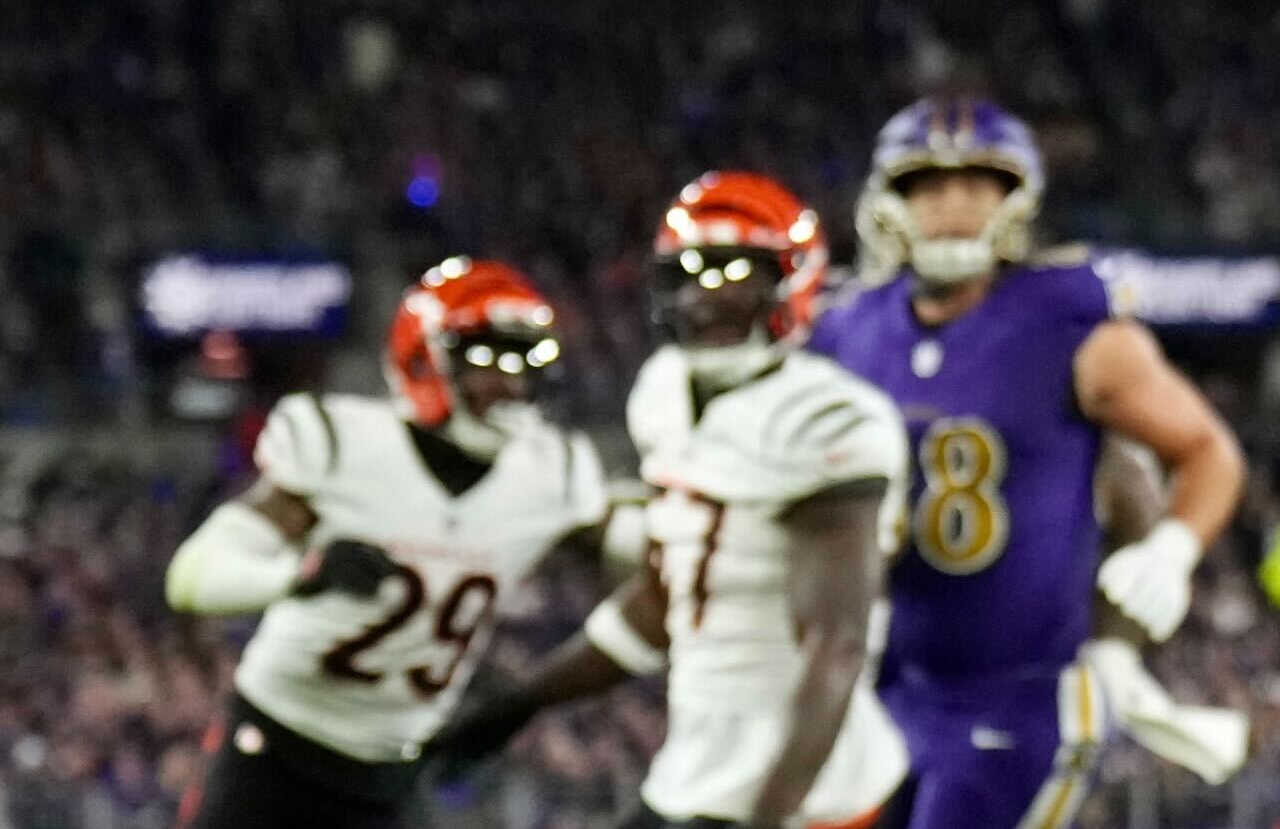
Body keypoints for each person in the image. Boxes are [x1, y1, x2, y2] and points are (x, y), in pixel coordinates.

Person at [812, 95, 1249, 829]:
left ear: (1015, 201)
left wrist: (1171, 552)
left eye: (977, 186)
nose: (953, 208)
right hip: (885, 683)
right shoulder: (849, 332)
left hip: (1019, 691)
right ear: (891, 202)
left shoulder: (1067, 326)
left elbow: (1205, 451)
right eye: (930, 186)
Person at [431, 173, 911, 829]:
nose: (701, 299)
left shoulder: (827, 418)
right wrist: (515, 706)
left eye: (729, 273)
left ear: (791, 280)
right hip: (701, 771)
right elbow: (665, 598)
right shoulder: (662, 392)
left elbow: (836, 647)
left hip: (810, 790)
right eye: (686, 275)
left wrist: (771, 818)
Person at [166, 258, 607, 829]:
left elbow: (654, 557)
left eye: (527, 360)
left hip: (395, 766)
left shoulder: (553, 476)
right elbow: (193, 576)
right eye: (487, 357)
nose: (511, 382)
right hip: (275, 745)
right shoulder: (344, 444)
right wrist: (299, 578)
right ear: (425, 357)